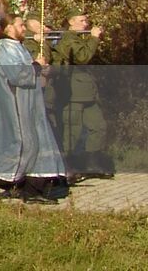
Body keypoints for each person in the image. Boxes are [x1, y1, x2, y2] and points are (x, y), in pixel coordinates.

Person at [0, 13, 66, 204]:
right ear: (8, 28)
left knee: (37, 143)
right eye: (21, 25)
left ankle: (32, 189)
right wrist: (35, 67)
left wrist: (39, 68)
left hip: (31, 103)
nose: (24, 29)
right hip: (16, 104)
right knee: (23, 144)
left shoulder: (18, 47)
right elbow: (16, 75)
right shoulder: (4, 48)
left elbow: (28, 70)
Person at [55, 9, 110, 180]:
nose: (85, 24)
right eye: (81, 20)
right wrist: (93, 38)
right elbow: (82, 57)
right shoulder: (69, 38)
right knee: (73, 130)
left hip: (87, 92)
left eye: (86, 21)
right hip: (74, 92)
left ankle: (91, 162)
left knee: (98, 126)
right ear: (71, 22)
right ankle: (69, 166)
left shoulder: (79, 38)